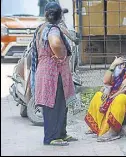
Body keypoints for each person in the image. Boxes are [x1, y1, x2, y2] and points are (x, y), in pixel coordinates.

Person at [31, 2, 77, 146]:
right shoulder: (52, 29)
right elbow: (55, 43)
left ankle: (61, 134)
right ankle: (52, 137)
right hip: (53, 70)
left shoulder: (43, 27)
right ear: (60, 15)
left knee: (60, 103)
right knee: (53, 103)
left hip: (48, 70)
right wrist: (61, 55)